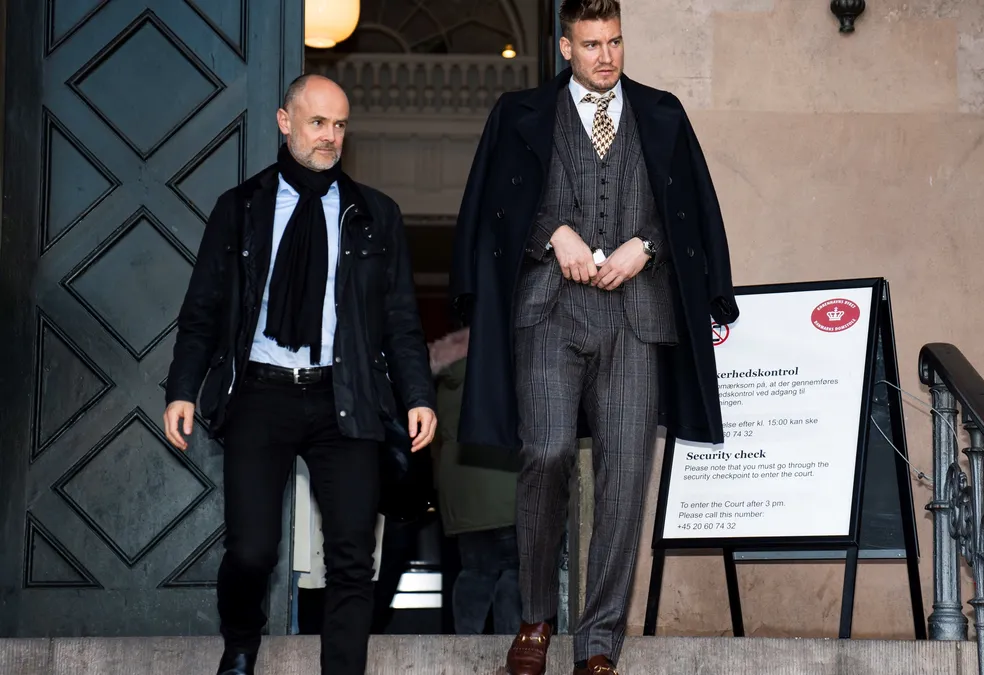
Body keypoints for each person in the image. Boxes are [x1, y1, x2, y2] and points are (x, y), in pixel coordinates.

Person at [448, 0, 739, 672]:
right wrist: (552, 233)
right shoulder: (518, 113)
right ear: (564, 48)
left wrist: (647, 244)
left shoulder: (662, 113)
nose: (606, 57)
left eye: (614, 42)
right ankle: (535, 615)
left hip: (637, 318)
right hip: (548, 314)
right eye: (591, 44)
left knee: (625, 476)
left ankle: (600, 641)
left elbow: (690, 207)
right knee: (546, 452)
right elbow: (494, 207)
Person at [162, 73, 437, 675]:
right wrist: (182, 388)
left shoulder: (375, 215)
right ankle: (241, 643)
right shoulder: (240, 209)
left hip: (346, 396)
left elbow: (400, 319)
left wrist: (418, 394)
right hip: (261, 393)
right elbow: (203, 310)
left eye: (340, 125)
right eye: (317, 123)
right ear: (285, 123)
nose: (330, 136)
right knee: (252, 551)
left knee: (351, 559)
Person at [428, 327, 522, 635]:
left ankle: (464, 644)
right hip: (507, 482)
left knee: (474, 570)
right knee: (515, 570)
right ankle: (510, 642)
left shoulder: (442, 377)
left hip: (460, 491)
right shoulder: (504, 361)